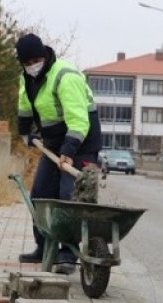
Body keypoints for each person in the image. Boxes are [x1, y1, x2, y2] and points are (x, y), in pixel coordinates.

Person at [14, 33, 103, 270]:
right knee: (40, 195)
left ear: (44, 55)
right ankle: (44, 248)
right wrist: (26, 134)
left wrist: (69, 150)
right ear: (22, 63)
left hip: (81, 142)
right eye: (27, 62)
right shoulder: (27, 79)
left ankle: (68, 254)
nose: (32, 65)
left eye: (36, 60)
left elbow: (78, 120)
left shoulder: (65, 75)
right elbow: (24, 107)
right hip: (53, 144)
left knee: (69, 197)